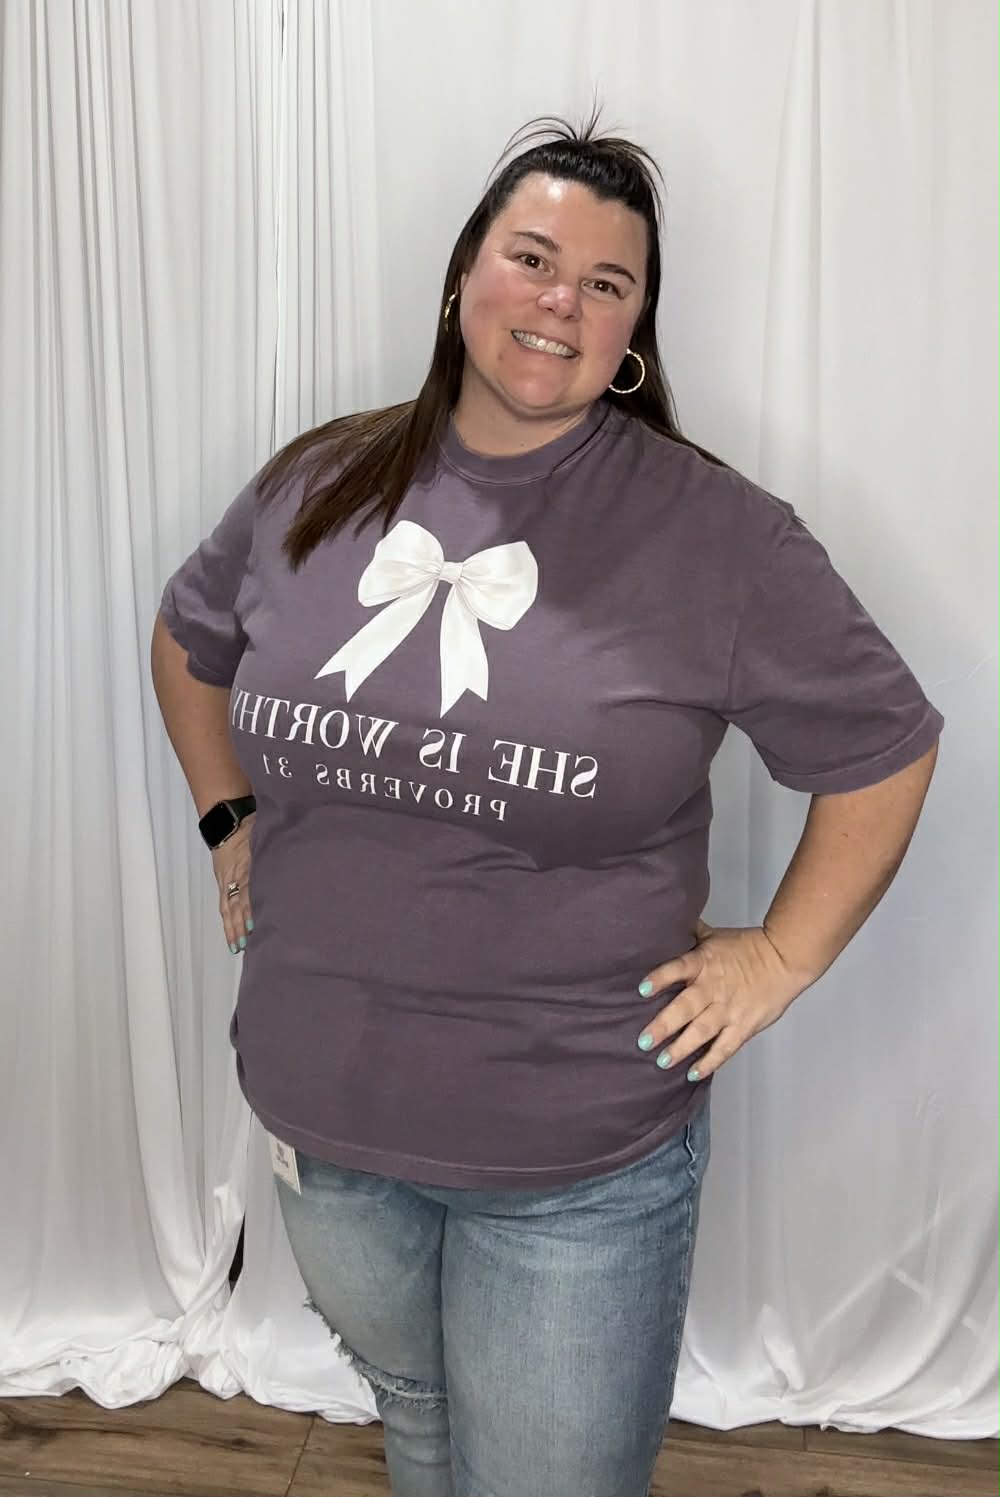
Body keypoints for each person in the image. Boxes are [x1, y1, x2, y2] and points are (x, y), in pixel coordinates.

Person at [151, 112, 944, 1497]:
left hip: (574, 1155)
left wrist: (779, 954)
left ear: (634, 332)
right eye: (532, 256)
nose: (559, 300)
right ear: (464, 276)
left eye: (607, 282)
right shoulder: (317, 482)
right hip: (323, 1119)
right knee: (418, 1413)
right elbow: (189, 636)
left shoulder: (716, 537)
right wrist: (231, 823)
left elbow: (884, 745)